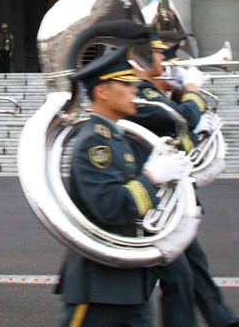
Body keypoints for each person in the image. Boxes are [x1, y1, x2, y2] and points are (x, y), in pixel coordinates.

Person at [56, 46, 192, 327]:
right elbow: (110, 207)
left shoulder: (116, 138)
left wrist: (157, 175)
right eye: (127, 83)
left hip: (127, 285)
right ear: (103, 92)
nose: (135, 90)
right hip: (100, 289)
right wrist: (151, 177)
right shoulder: (96, 143)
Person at [129, 36, 239, 327]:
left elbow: (177, 132)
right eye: (160, 55)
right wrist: (191, 92)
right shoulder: (141, 93)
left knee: (191, 268)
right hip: (154, 201)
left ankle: (219, 317)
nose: (165, 62)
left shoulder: (152, 92)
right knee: (174, 279)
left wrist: (190, 114)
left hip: (167, 200)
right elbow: (181, 121)